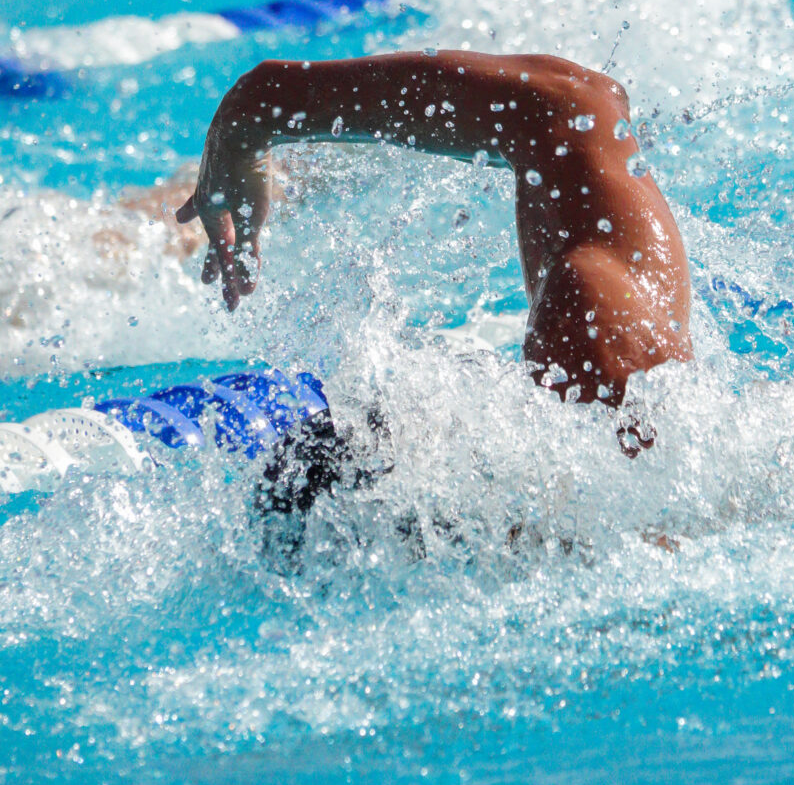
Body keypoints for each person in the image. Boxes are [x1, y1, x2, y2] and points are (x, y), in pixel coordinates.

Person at [176, 51, 692, 546]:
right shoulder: (587, 331)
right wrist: (255, 107)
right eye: (413, 425)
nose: (433, 411)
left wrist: (253, 108)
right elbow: (571, 106)